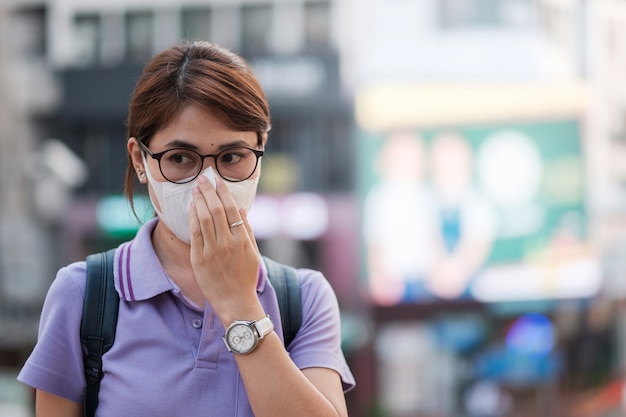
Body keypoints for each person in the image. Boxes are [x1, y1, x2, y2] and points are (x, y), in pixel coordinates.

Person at [18, 40, 355, 417]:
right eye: (180, 158)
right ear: (140, 160)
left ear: (260, 152)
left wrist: (238, 305)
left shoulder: (304, 298)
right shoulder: (83, 296)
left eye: (231, 157)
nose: (208, 182)